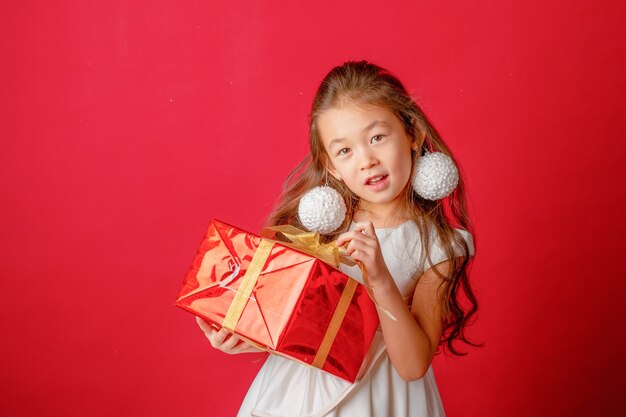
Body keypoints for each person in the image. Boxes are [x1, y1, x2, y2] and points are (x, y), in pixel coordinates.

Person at [196, 60, 481, 417]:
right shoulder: (323, 232)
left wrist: (379, 277)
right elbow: (307, 333)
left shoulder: (438, 245)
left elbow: (412, 366)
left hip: (383, 402)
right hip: (294, 397)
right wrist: (243, 338)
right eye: (345, 150)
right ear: (332, 166)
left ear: (413, 134)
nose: (366, 160)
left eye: (377, 137)